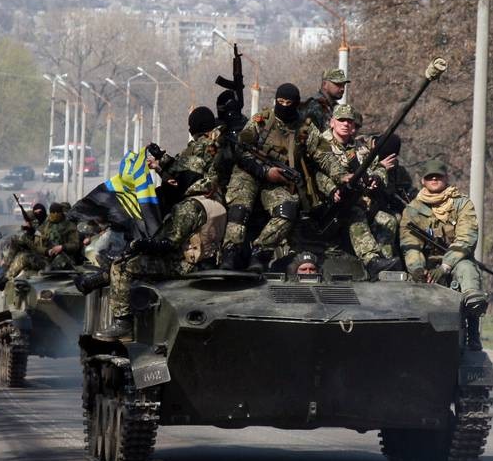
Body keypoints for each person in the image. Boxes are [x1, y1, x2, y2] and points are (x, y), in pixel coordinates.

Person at [222, 83, 347, 272]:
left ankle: (260, 252)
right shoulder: (262, 120)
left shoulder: (305, 128)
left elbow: (324, 155)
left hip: (278, 179)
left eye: (289, 102)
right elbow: (240, 149)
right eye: (280, 101)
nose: (284, 106)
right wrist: (264, 172)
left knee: (287, 209)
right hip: (248, 173)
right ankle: (230, 252)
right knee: (240, 208)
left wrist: (342, 176)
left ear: (296, 104)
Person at [94, 176, 227, 341]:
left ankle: (123, 324)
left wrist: (142, 244)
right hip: (208, 263)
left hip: (183, 265)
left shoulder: (190, 206)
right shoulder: (217, 206)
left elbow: (169, 244)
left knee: (121, 266)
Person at [315, 103, 401, 275]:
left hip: (361, 200)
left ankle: (386, 265)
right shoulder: (321, 144)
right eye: (342, 120)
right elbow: (316, 174)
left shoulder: (360, 147)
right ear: (332, 122)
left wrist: (376, 177)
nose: (346, 124)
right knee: (356, 213)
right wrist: (333, 190)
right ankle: (371, 260)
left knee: (389, 220)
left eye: (350, 121)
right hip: (328, 204)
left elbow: (378, 167)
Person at [398, 159, 481, 292]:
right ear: (423, 181)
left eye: (439, 176)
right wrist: (417, 269)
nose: (434, 179)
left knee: (467, 269)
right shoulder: (413, 209)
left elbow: (467, 238)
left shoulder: (462, 204)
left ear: (446, 178)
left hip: (455, 261)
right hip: (426, 264)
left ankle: (471, 303)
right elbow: (409, 243)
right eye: (429, 177)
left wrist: (445, 266)